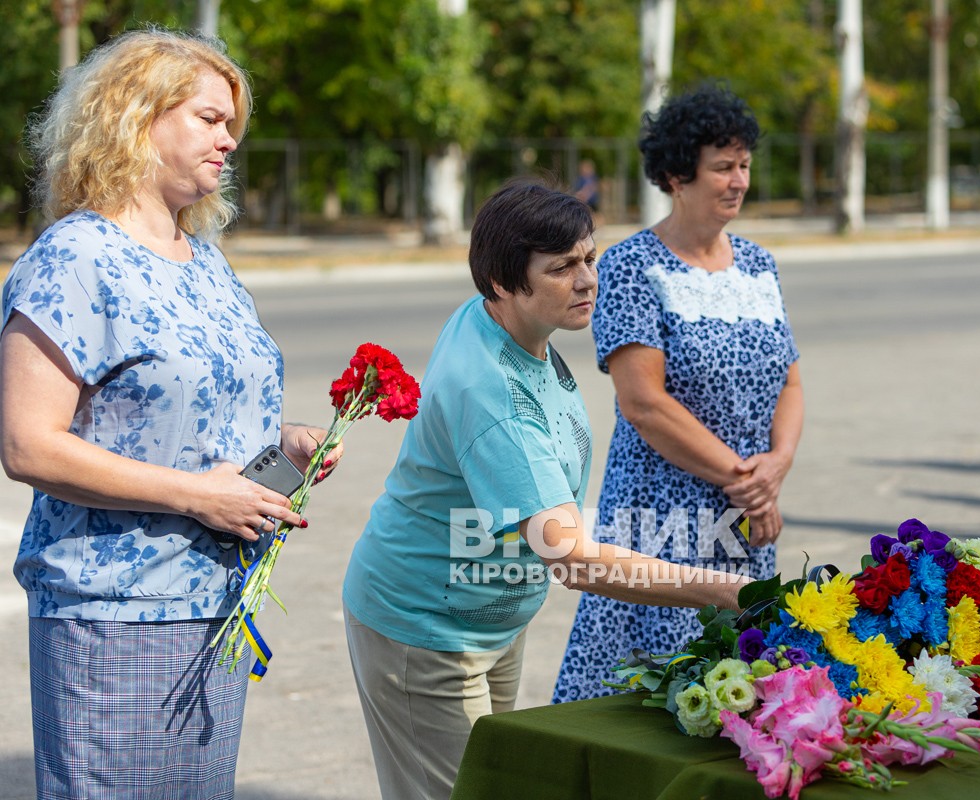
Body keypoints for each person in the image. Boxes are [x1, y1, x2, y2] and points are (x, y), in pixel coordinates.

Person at [0, 30, 342, 799]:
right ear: (135, 116)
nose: (229, 141)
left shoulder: (206, 261)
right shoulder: (76, 258)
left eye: (233, 127)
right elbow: (27, 444)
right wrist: (198, 495)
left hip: (216, 608)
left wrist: (281, 448)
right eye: (211, 119)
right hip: (115, 614)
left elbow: (202, 429)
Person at [340, 181, 749, 800]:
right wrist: (729, 591)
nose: (587, 280)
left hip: (485, 618)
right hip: (423, 631)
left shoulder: (506, 322)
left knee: (494, 783)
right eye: (562, 268)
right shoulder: (494, 396)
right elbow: (574, 559)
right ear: (502, 283)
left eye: (590, 257)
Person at [552, 85, 804, 703]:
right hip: (661, 519)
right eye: (722, 166)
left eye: (744, 165)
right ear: (676, 175)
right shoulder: (631, 266)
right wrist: (748, 478)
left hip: (746, 516)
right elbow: (645, 403)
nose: (738, 180)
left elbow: (791, 380)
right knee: (648, 699)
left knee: (739, 699)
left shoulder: (759, 265)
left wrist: (775, 468)